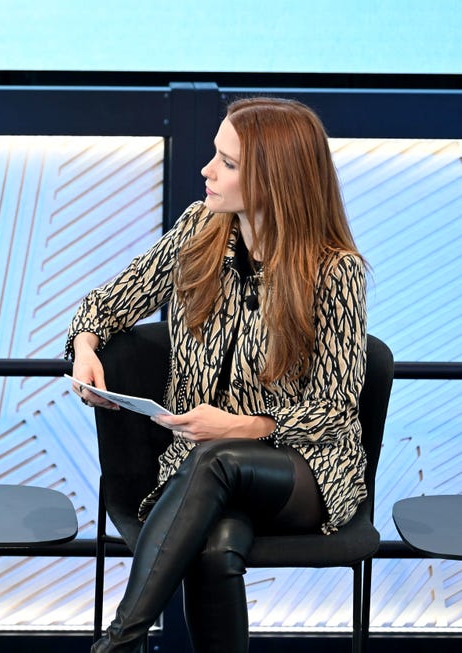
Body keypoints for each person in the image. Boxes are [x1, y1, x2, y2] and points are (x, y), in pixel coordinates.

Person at [67, 97, 367, 653]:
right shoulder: (198, 230)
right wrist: (86, 347)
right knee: (214, 544)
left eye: (227, 163)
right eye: (214, 154)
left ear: (275, 181)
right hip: (201, 469)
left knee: (219, 460)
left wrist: (237, 427)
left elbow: (335, 406)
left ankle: (116, 643)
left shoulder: (334, 271)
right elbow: (107, 305)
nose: (207, 169)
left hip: (304, 469)